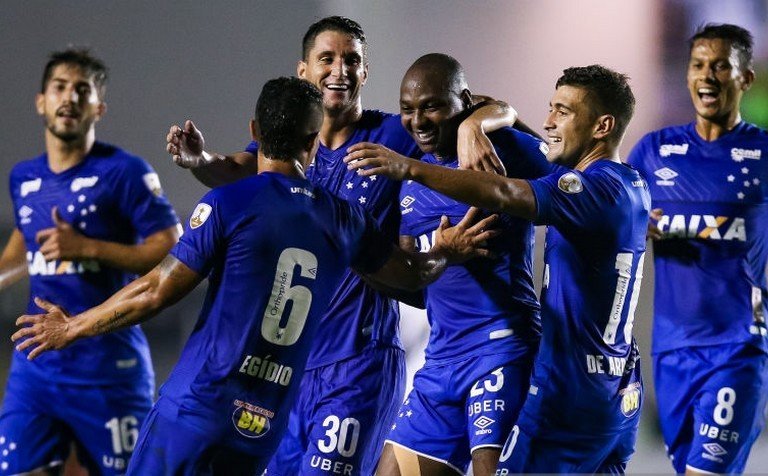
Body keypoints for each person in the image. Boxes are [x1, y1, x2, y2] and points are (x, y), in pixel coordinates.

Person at [12, 76, 496, 475]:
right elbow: (411, 276)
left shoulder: (229, 202)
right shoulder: (343, 218)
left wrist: (71, 327)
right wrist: (447, 251)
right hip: (260, 429)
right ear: (312, 141)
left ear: (254, 131)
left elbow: (156, 290)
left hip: (197, 412)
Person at [165, 16, 518, 475]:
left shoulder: (394, 133)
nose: (340, 70)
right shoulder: (291, 147)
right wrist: (199, 160)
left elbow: (486, 107)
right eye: (327, 59)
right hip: (287, 368)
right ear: (303, 71)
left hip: (359, 362)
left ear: (365, 72)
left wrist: (474, 126)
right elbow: (232, 169)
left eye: (351, 60)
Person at [346, 64, 650, 473]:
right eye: (551, 109)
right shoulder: (613, 182)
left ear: (602, 126)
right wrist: (482, 121)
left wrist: (411, 166)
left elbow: (507, 191)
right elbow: (525, 130)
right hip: (605, 380)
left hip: (543, 373)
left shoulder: (587, 187)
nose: (548, 122)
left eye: (562, 112)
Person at [362, 53, 554, 476]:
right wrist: (440, 255)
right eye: (408, 109)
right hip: (441, 361)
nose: (418, 121)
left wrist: (486, 120)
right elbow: (415, 279)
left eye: (431, 106)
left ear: (462, 102)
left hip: (501, 350)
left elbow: (570, 174)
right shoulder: (410, 180)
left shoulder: (505, 152)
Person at [0, 48, 181, 474]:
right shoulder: (24, 177)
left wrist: (87, 247)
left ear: (98, 108)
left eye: (82, 90)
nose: (70, 98)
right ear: (41, 101)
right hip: (37, 365)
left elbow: (171, 249)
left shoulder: (125, 172)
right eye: (59, 87)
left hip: (108, 368)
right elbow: (22, 249)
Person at [627, 23, 768, 475]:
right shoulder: (653, 151)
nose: (707, 76)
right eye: (698, 65)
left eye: (721, 66)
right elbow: (611, 217)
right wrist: (634, 225)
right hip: (672, 349)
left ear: (746, 78)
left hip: (738, 345)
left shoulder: (763, 153)